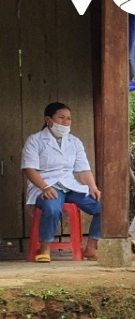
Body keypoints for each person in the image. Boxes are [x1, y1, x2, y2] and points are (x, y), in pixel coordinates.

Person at [21, 102, 102, 262]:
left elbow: (83, 169)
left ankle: (91, 248)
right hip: (46, 185)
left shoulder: (74, 142)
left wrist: (92, 187)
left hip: (70, 185)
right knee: (52, 208)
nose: (65, 122)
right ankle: (44, 250)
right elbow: (29, 169)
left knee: (103, 208)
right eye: (61, 118)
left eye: (68, 119)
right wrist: (44, 187)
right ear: (48, 120)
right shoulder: (35, 140)